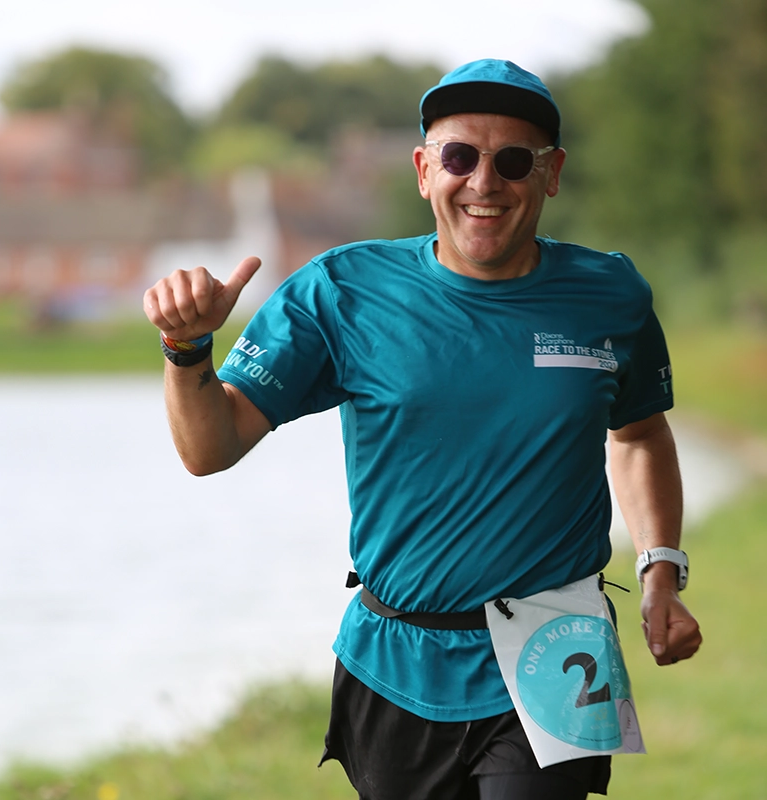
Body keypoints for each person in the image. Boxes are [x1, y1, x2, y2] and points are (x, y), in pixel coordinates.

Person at [144, 59, 702, 799]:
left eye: (512, 161)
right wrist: (187, 351)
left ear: (552, 173)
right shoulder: (341, 291)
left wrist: (660, 568)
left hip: (558, 642)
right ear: (422, 169)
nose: (484, 182)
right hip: (396, 655)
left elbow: (637, 435)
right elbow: (209, 448)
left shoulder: (609, 294)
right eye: (460, 157)